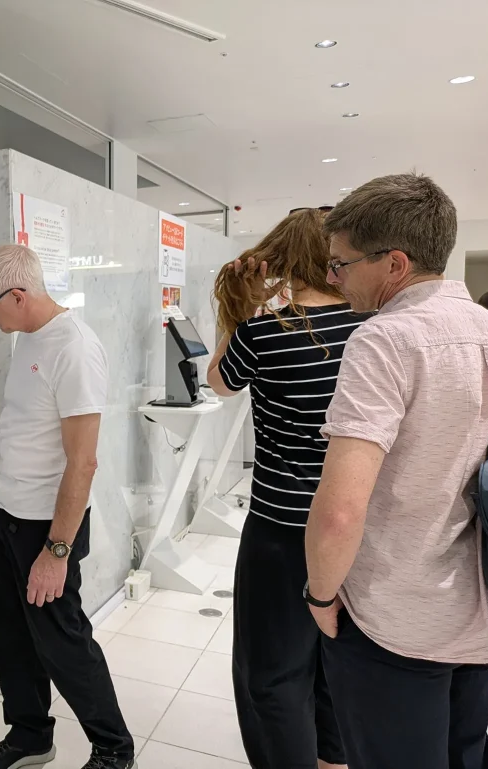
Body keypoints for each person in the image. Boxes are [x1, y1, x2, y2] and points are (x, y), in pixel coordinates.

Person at [304, 173, 488, 769]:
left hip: (392, 620)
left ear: (395, 264)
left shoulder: (384, 341)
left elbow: (340, 511)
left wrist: (320, 594)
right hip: (480, 611)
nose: (335, 278)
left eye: (341, 263)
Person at [0, 245, 136, 769]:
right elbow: (25, 416)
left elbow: (83, 462)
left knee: (62, 641)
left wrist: (56, 552)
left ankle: (114, 750)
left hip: (46, 526)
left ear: (18, 295)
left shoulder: (74, 349)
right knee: (12, 635)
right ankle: (30, 733)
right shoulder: (27, 336)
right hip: (4, 512)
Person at [206, 208, 364, 769]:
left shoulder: (264, 333)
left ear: (282, 258)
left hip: (280, 530)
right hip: (358, 527)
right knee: (335, 660)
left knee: (271, 675)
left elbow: (219, 382)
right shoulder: (371, 329)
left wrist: (241, 309)